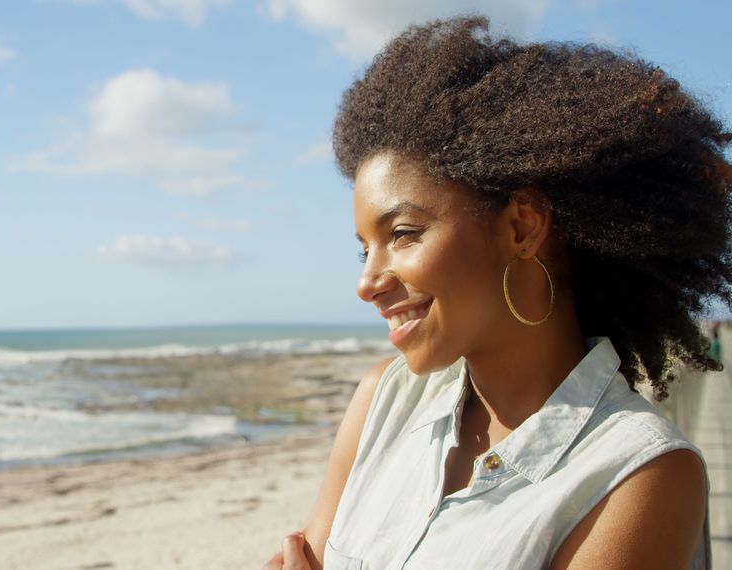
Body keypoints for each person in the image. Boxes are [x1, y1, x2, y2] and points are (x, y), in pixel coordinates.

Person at [262, 16, 732, 570]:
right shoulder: (383, 400)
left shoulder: (638, 474)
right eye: (365, 249)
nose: (368, 282)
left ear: (522, 227)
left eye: (402, 234)